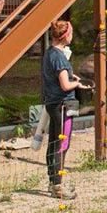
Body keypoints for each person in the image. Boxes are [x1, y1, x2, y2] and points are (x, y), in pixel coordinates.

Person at [42, 20, 89, 200]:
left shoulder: (50, 53)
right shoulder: (60, 57)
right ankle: (58, 186)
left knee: (53, 141)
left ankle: (52, 180)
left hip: (52, 103)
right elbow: (64, 84)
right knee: (63, 143)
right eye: (71, 32)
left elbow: (58, 76)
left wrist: (70, 75)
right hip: (64, 105)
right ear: (65, 35)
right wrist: (76, 83)